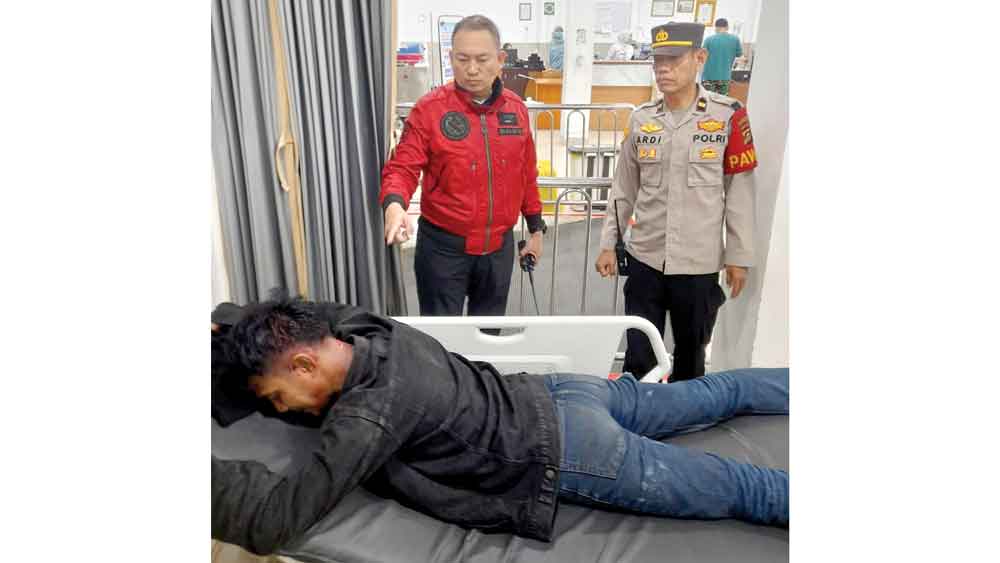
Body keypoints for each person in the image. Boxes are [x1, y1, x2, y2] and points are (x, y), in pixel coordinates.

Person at [211, 297, 788, 555]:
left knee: (742, 488)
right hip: (563, 391)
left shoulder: (369, 416)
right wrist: (227, 325)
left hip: (575, 449)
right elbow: (291, 313)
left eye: (279, 396)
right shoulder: (361, 328)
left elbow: (277, 518)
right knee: (716, 391)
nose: (284, 409)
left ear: (304, 363)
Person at [595, 22, 757, 382]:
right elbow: (623, 189)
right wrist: (608, 243)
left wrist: (739, 256)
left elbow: (740, 193)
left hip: (698, 263)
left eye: (674, 60)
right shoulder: (642, 119)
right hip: (646, 257)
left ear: (700, 58)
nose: (663, 69)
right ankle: (640, 410)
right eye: (658, 61)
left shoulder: (728, 116)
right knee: (639, 357)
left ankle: (687, 414)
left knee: (691, 356)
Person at [380, 15, 546, 318]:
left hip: (498, 250)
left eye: (482, 59)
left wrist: (535, 229)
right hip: (443, 250)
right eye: (462, 59)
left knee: (488, 335)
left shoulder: (516, 110)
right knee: (442, 339)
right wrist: (394, 204)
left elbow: (526, 174)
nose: (471, 69)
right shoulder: (429, 110)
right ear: (451, 58)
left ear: (500, 59)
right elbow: (403, 167)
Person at [701, 18, 743, 96]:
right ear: (727, 27)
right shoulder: (735, 39)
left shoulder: (708, 40)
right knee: (722, 101)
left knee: (706, 100)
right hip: (724, 78)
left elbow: (701, 56)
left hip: (708, 77)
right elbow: (740, 56)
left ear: (716, 28)